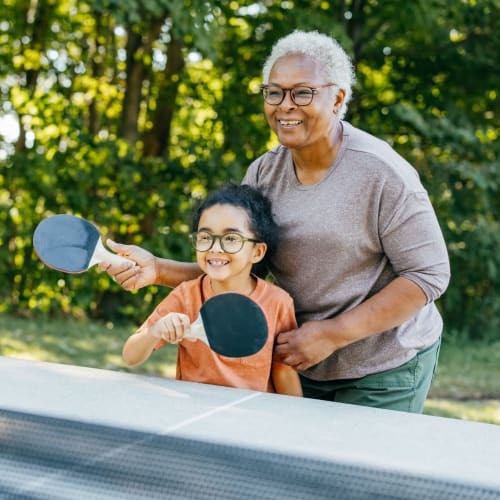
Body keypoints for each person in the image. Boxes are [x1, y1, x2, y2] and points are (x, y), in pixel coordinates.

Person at [102, 30, 450, 412]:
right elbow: (243, 267)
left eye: (302, 93)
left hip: (382, 364)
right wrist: (158, 269)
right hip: (295, 358)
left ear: (337, 98)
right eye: (274, 92)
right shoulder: (264, 173)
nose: (285, 105)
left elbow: (427, 276)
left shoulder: (383, 174)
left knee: (360, 471)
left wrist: (333, 335)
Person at [121, 183, 303, 396]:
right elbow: (131, 356)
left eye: (231, 239)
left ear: (257, 251)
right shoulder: (186, 296)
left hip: (253, 418)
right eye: (205, 237)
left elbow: (283, 371)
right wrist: (155, 331)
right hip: (193, 409)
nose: (215, 248)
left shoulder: (278, 303)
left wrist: (296, 422)